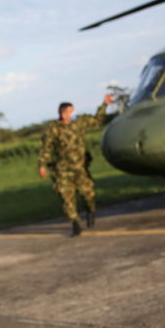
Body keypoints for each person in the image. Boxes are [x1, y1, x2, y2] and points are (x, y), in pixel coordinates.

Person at [38, 93, 114, 236]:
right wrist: (42, 165)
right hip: (62, 169)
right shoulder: (53, 129)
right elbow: (46, 148)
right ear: (63, 114)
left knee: (88, 194)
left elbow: (97, 120)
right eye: (70, 111)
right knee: (67, 197)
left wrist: (105, 104)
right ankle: (75, 224)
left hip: (80, 168)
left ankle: (90, 211)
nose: (73, 114)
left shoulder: (79, 123)